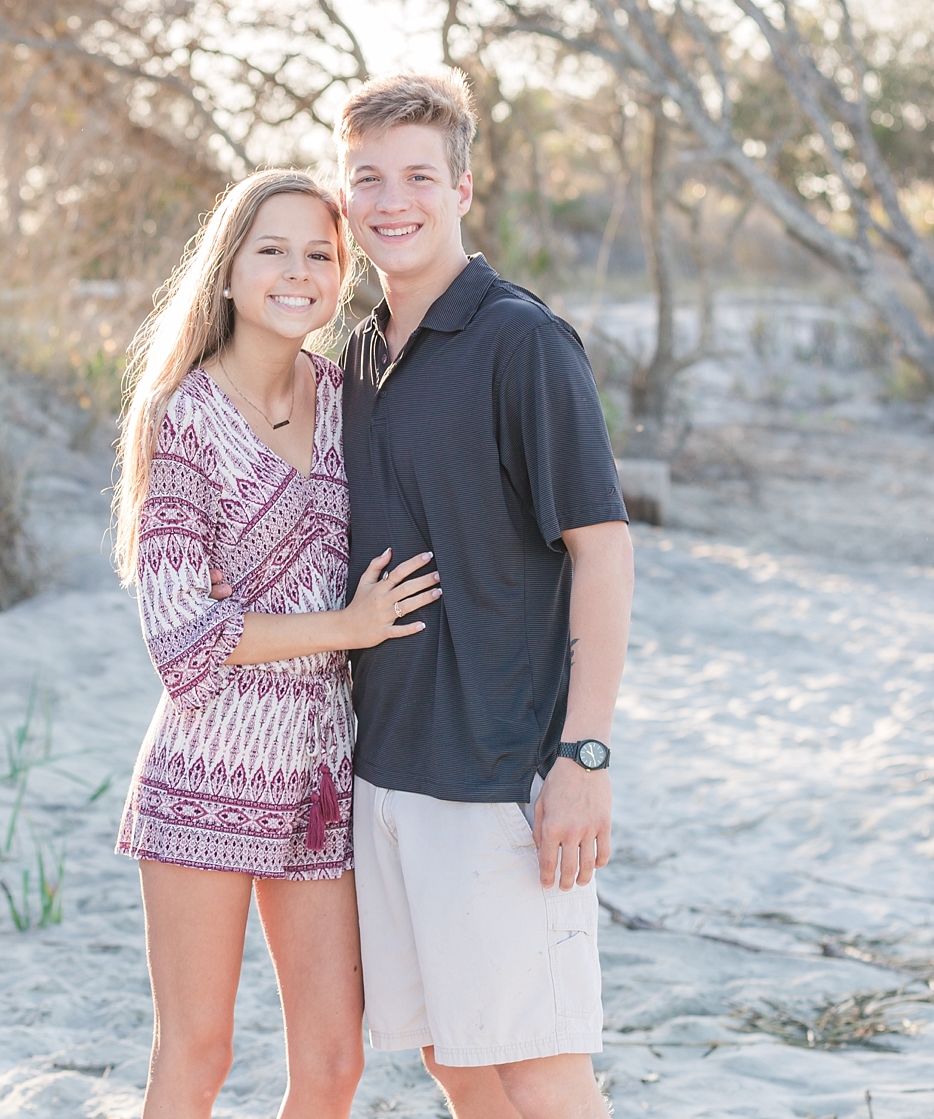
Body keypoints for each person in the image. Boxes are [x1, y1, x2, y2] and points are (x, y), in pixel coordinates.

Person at [111, 168, 442, 1119]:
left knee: (335, 1062)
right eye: (272, 250)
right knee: (200, 1053)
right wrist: (342, 626)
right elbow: (180, 641)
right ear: (227, 272)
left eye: (319, 255)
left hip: (321, 775)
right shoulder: (187, 419)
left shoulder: (348, 399)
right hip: (207, 768)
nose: (297, 272)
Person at [337, 71, 635, 1119]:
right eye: (367, 177)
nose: (392, 199)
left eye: (418, 174)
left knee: (540, 1069)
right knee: (457, 1061)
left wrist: (583, 756)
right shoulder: (360, 355)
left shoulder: (521, 341)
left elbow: (602, 553)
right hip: (390, 769)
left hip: (502, 768)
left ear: (462, 186)